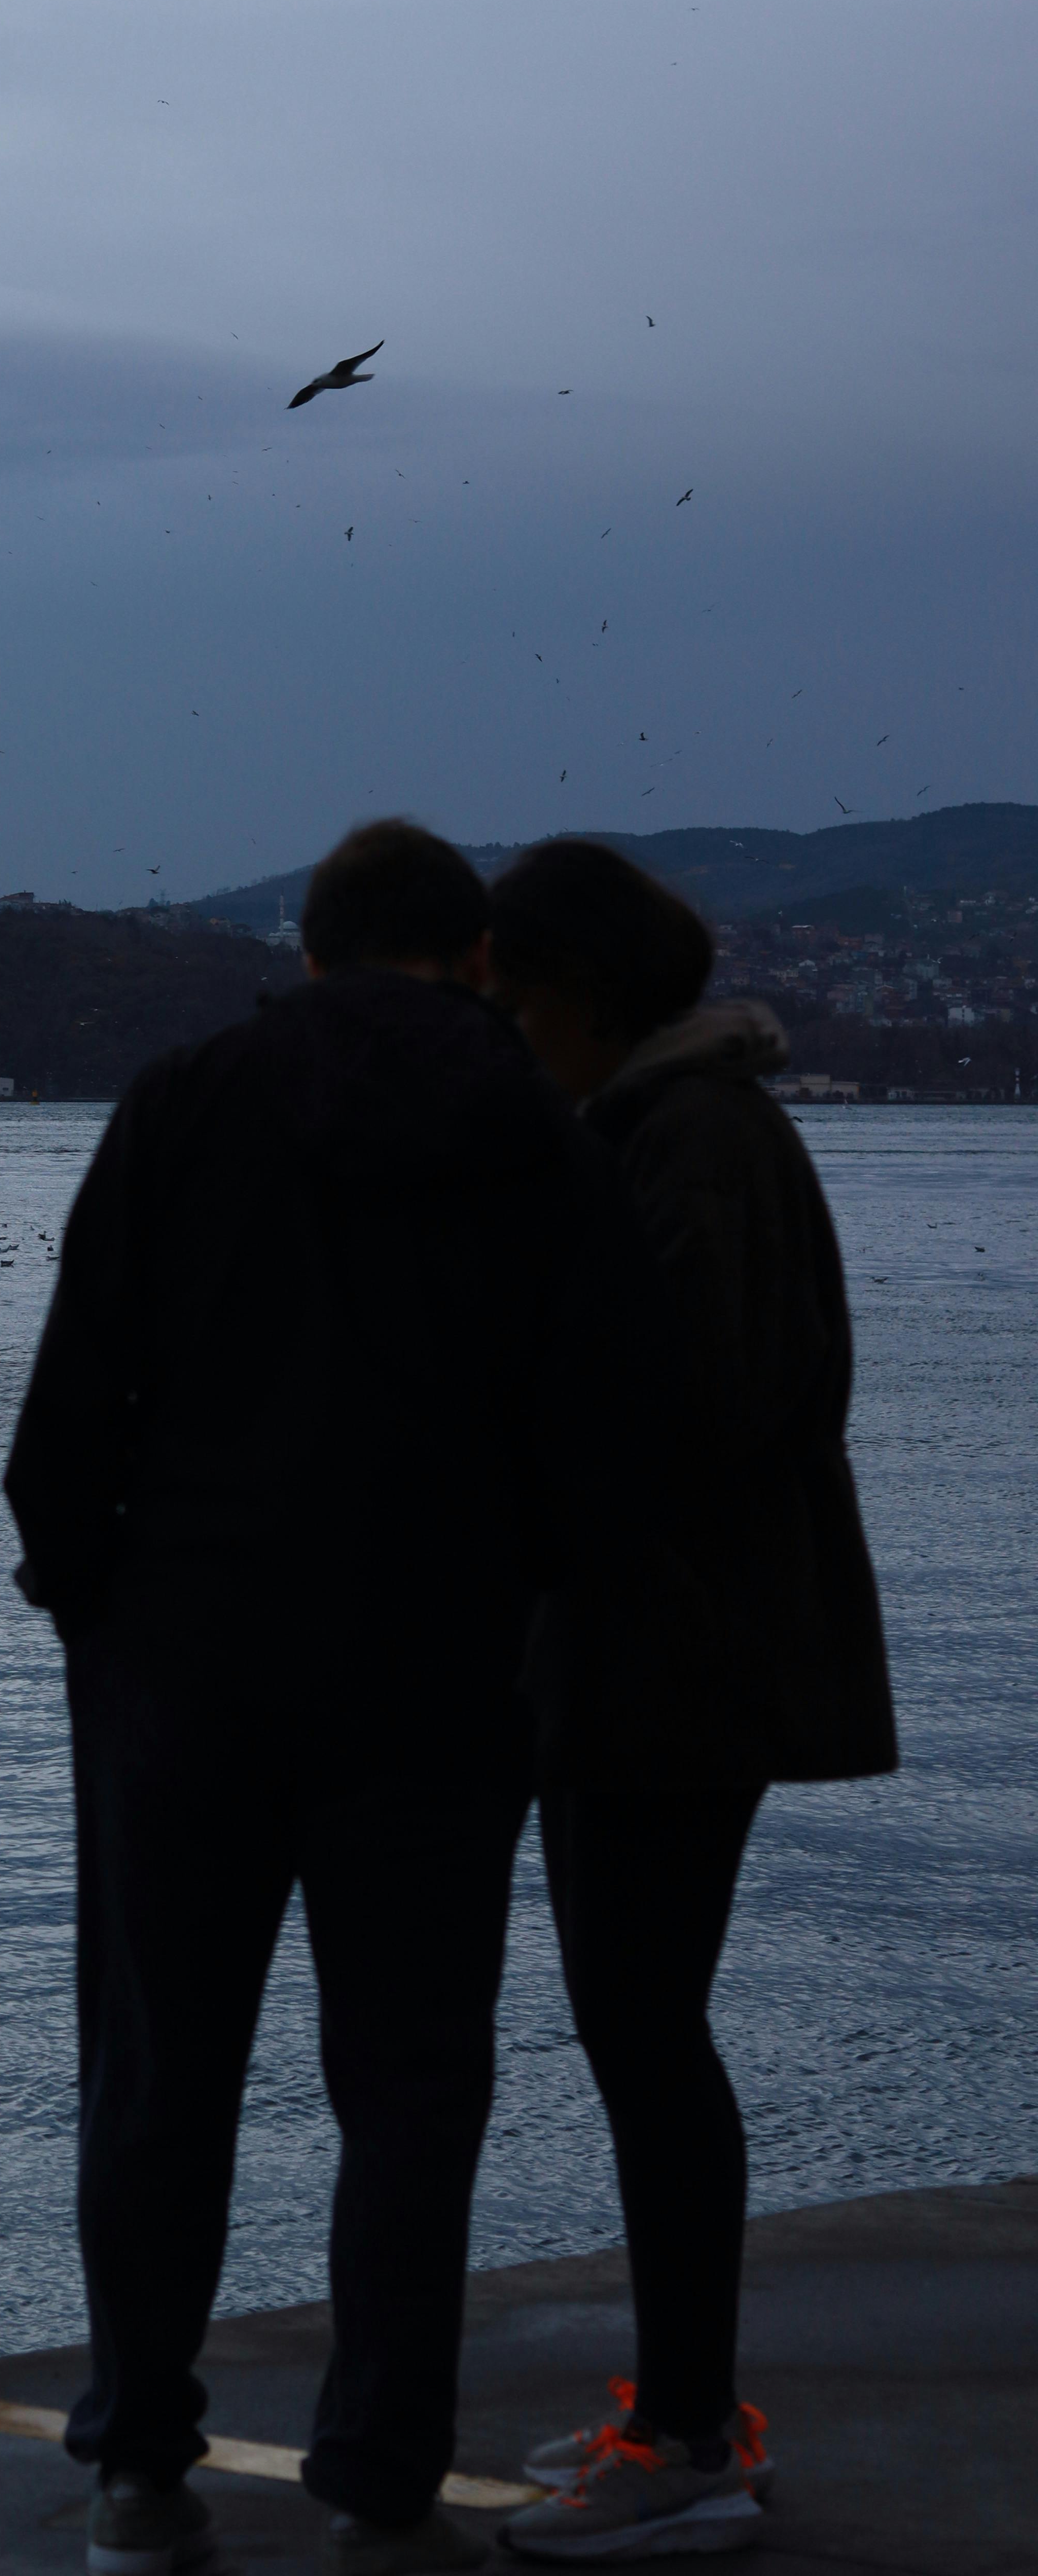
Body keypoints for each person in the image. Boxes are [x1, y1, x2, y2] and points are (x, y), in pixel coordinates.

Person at [5, 820, 655, 2576]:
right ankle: (382, 2478)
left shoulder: (186, 1100)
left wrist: (91, 1604)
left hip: (187, 1662)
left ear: (305, 948)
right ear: (477, 962)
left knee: (159, 2074)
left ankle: (140, 2464)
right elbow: (597, 1444)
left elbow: (74, 1405)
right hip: (437, 1676)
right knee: (412, 2090)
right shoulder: (538, 1135)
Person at [484, 840, 898, 2567]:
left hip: (671, 1669)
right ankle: (683, 2407)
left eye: (511, 993)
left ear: (577, 994)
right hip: (664, 1657)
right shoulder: (681, 1131)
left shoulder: (695, 1142)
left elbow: (686, 1411)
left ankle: (684, 2441)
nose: (500, 1023)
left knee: (650, 2041)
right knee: (644, 2037)